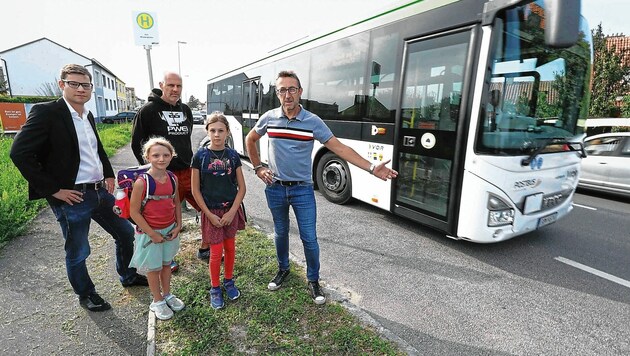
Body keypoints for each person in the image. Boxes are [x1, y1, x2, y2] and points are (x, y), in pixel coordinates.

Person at [245, 70, 397, 305]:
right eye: (282, 90)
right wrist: (257, 167)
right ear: (277, 94)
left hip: (303, 190)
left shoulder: (313, 121)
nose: (288, 94)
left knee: (309, 238)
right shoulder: (269, 118)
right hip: (275, 187)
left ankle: (313, 280)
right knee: (280, 232)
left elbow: (340, 149)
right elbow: (250, 139)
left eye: (292, 89)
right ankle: (283, 269)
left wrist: (371, 167)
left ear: (300, 92)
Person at [9, 64, 148, 312]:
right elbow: (19, 153)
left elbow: (96, 149)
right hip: (71, 196)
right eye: (74, 83)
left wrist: (107, 173)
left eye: (85, 85)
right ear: (61, 84)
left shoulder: (88, 115)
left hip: (98, 192)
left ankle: (128, 275)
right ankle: (86, 294)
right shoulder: (47, 113)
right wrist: (54, 190)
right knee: (79, 250)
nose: (80, 89)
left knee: (125, 232)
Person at [131, 72, 206, 266]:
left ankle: (206, 248)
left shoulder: (186, 110)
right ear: (161, 85)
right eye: (171, 85)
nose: (175, 90)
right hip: (163, 176)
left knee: (206, 206)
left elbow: (185, 139)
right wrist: (151, 172)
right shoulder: (148, 111)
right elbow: (136, 143)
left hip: (187, 171)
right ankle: (167, 258)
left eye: (179, 86)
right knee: (165, 216)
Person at [191, 112, 246, 310]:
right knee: (215, 252)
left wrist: (232, 212)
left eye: (220, 130)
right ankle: (215, 287)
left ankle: (229, 281)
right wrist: (208, 213)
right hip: (211, 212)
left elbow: (242, 188)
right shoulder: (200, 157)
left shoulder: (232, 156)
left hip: (230, 210)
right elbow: (195, 190)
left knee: (230, 248)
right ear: (207, 131)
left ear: (227, 132)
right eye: (212, 130)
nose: (216, 134)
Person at [128, 137, 184, 320]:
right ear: (147, 157)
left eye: (166, 155)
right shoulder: (142, 182)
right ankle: (157, 300)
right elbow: (134, 212)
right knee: (154, 268)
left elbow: (176, 203)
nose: (161, 159)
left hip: (169, 231)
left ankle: (167, 294)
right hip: (150, 233)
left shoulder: (172, 178)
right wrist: (152, 234)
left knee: (167, 263)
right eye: (156, 155)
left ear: (171, 156)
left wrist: (178, 225)